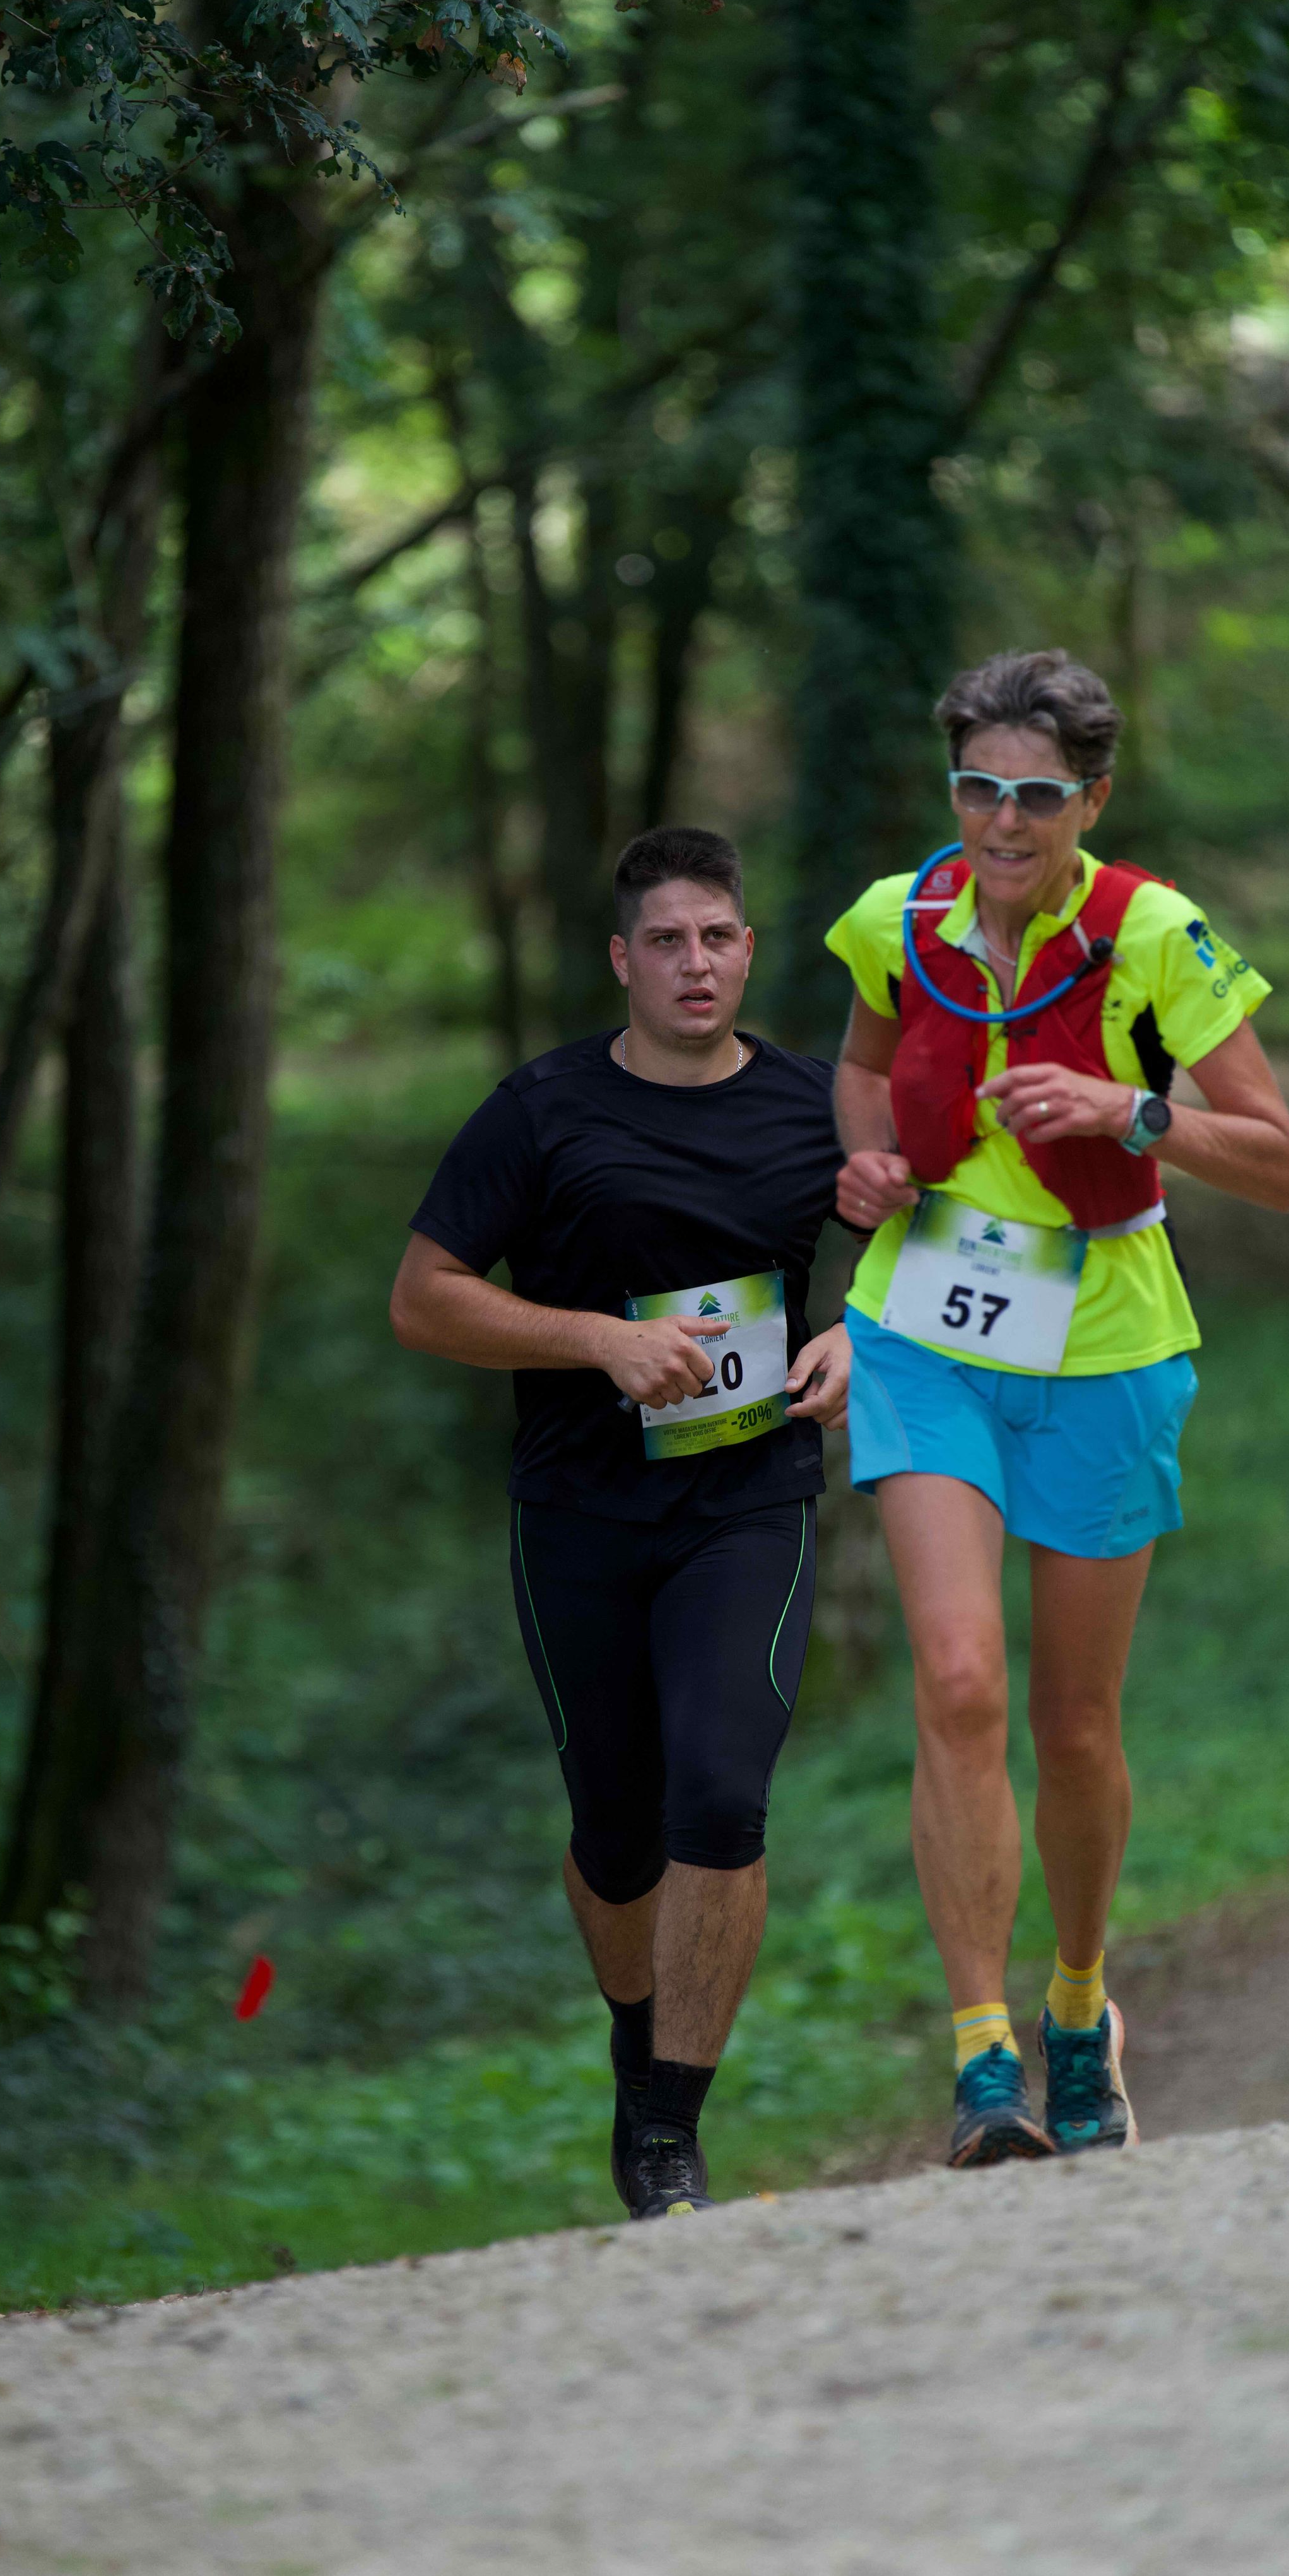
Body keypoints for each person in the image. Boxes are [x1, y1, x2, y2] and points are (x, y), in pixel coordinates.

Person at [827, 649, 1289, 2169]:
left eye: (1038, 796)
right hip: (925, 1335)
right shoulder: (897, 920)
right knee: (962, 1680)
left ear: (1092, 802)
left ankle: (1081, 2007)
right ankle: (982, 2060)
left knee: (1076, 1724)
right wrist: (866, 1165)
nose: (1003, 821)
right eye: (978, 788)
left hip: (1106, 1348)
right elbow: (860, 1068)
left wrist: (1131, 1111)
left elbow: (1281, 1161)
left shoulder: (1153, 934)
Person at [390, 826, 852, 2220]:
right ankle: (638, 2033)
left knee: (719, 1794)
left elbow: (937, 1226)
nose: (693, 964)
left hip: (746, 1505)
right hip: (580, 1512)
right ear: (621, 960)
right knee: (615, 1834)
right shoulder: (541, 1112)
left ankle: (666, 2130)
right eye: (665, 941)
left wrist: (865, 1338)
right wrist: (595, 1339)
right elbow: (425, 1298)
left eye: (715, 937)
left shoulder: (822, 1106)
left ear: (748, 951)